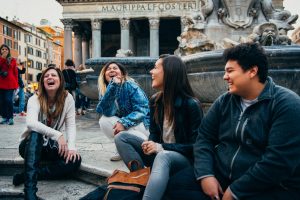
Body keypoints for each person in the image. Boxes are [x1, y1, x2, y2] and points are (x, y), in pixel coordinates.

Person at [166, 43, 300, 200]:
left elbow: (277, 162)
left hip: (269, 185)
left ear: (252, 71)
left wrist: (236, 191)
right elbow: (204, 138)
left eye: (230, 71)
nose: (224, 77)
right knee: (175, 186)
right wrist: (205, 174)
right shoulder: (224, 101)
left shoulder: (287, 104)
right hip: (222, 174)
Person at [114, 55, 203, 200]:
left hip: (183, 161)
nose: (151, 71)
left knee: (163, 155)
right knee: (121, 137)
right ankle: (142, 180)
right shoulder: (155, 100)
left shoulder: (191, 105)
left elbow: (196, 146)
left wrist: (160, 147)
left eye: (155, 67)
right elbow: (154, 133)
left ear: (169, 72)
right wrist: (150, 143)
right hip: (161, 154)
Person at [12, 66, 81, 200]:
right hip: (29, 146)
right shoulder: (34, 98)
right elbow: (31, 123)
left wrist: (71, 147)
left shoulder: (68, 98)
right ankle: (30, 193)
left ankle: (27, 175)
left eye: (54, 75)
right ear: (43, 82)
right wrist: (58, 135)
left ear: (60, 81)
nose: (50, 77)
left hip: (50, 147)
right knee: (35, 133)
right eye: (46, 76)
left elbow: (71, 125)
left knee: (75, 160)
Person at [96, 61, 150, 161]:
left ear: (122, 73)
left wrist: (124, 122)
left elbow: (142, 109)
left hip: (141, 125)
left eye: (115, 68)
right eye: (108, 69)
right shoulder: (106, 90)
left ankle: (145, 145)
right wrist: (113, 87)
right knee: (104, 120)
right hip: (127, 127)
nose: (111, 70)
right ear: (104, 75)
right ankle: (123, 147)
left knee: (117, 123)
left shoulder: (130, 85)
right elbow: (106, 112)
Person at [0, 44, 18, 125]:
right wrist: (2, 59)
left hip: (10, 83)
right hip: (1, 82)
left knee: (8, 100)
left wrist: (16, 83)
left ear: (8, 51)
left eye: (6, 49)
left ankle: (10, 118)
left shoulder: (12, 60)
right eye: (3, 49)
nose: (4, 51)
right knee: (1, 101)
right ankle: (4, 117)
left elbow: (15, 72)